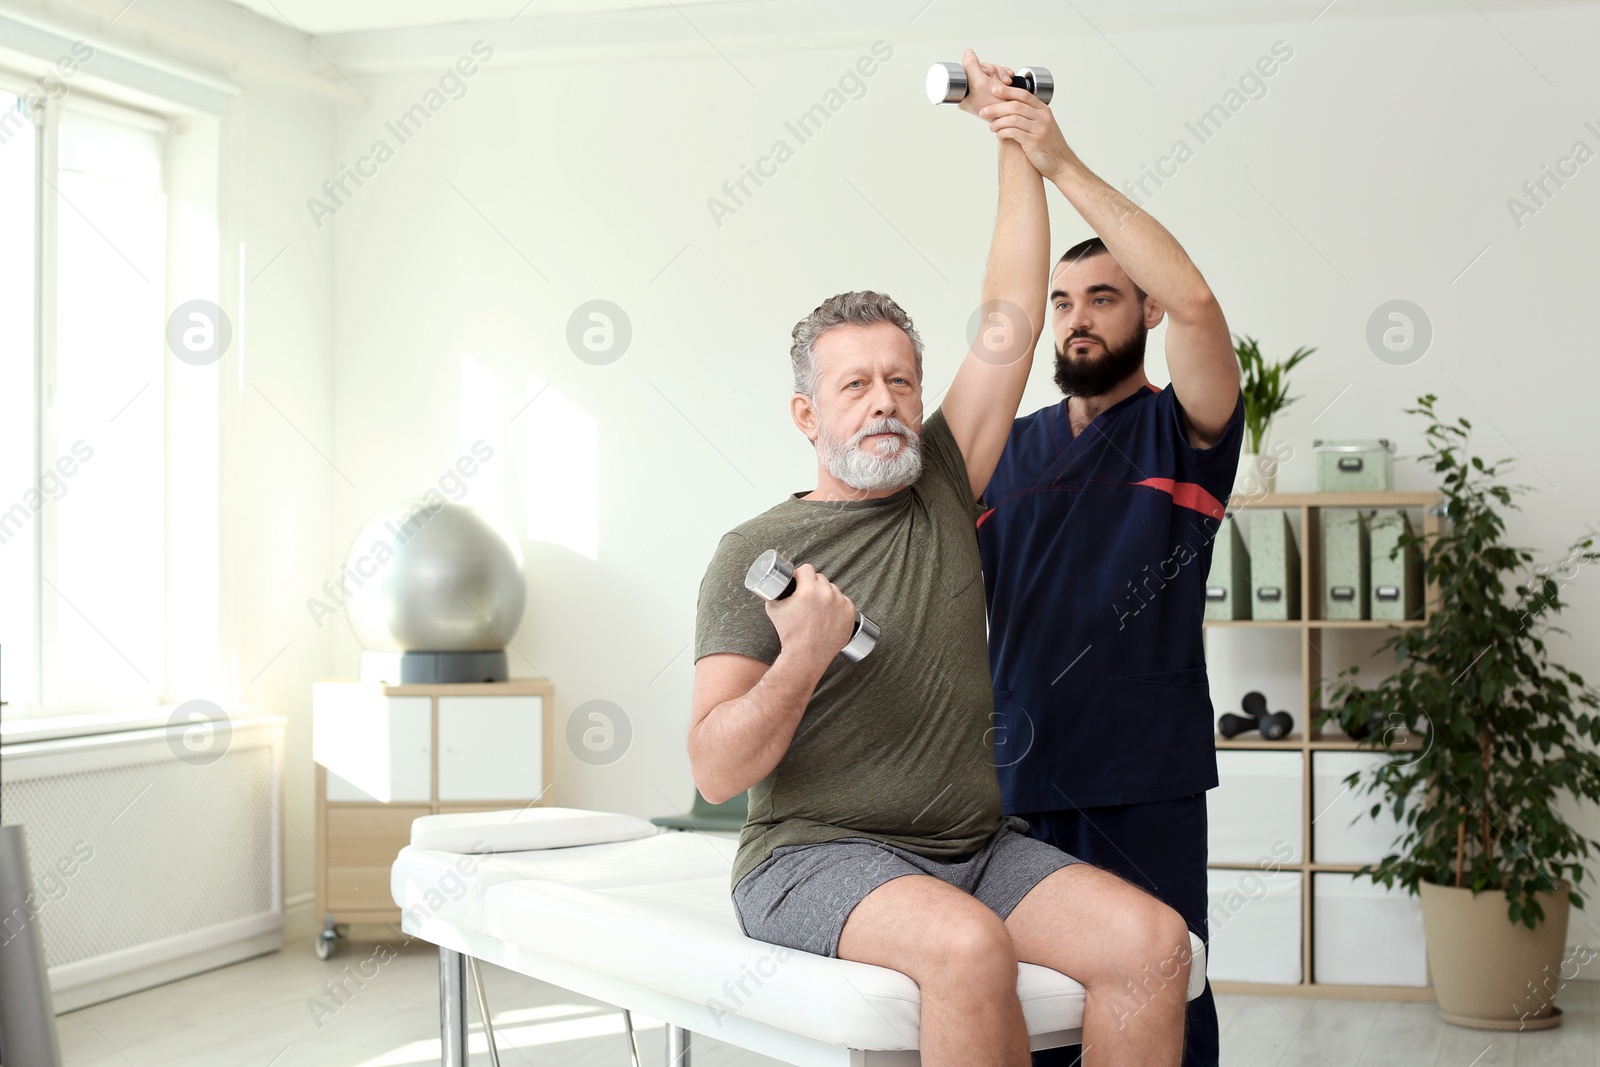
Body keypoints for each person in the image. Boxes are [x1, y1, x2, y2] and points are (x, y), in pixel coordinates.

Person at [689, 52, 1191, 1067]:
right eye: (855, 385)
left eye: (900, 381)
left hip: (973, 846)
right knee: (968, 948)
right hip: (811, 858)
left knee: (1152, 941)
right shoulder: (751, 554)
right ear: (807, 413)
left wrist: (1014, 131)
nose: (884, 401)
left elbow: (1009, 310)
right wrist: (802, 654)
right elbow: (711, 770)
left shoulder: (943, 483)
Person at [971, 75, 1244, 1067]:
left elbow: (1198, 299)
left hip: (1139, 781)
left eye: (1102, 298)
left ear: (1141, 314)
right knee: (1029, 1011)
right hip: (1014, 776)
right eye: (1062, 302)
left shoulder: (1186, 431)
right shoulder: (1004, 447)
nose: (1077, 318)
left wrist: (1057, 160)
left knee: (1158, 994)